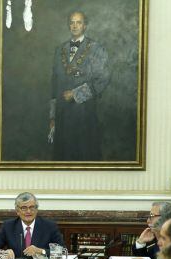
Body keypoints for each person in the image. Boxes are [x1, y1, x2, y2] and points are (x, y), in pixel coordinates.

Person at [48, 10, 110, 161]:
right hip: (62, 114)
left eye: (79, 22)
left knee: (84, 155)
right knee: (62, 157)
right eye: (72, 22)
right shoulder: (59, 50)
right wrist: (52, 116)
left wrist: (76, 94)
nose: (74, 26)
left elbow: (103, 78)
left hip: (84, 113)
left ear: (85, 26)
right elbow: (54, 84)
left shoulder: (96, 49)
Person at [0, 192, 64, 259]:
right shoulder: (8, 226)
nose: (28, 211)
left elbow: (62, 251)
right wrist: (2, 253)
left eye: (32, 207)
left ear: (36, 210)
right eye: (24, 208)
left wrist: (41, 251)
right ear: (17, 211)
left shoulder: (49, 226)